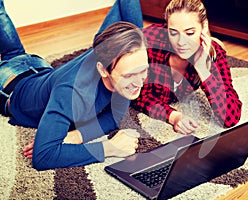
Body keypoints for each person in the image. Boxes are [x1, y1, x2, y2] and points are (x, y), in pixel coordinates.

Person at [0, 0, 148, 170]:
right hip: (8, 83)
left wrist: (77, 136)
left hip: (39, 66)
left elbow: (115, 116)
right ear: (103, 70)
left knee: (14, 52)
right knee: (12, 52)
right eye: (129, 75)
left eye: (143, 70)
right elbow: (43, 156)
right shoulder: (72, 92)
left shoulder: (122, 51)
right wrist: (108, 148)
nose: (139, 83)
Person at [131, 0, 242, 134]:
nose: (181, 42)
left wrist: (202, 69)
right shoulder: (151, 43)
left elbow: (230, 117)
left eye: (189, 33)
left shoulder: (213, 53)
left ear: (204, 26)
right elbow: (137, 96)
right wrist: (173, 116)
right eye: (173, 33)